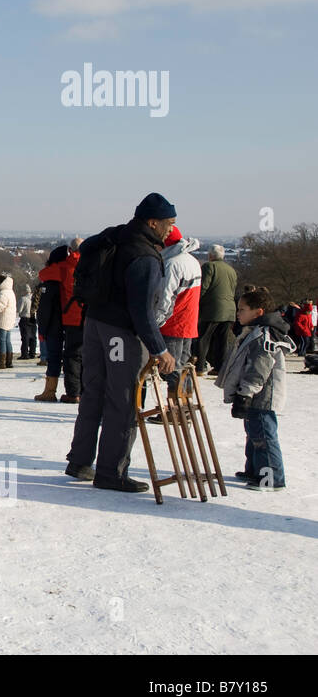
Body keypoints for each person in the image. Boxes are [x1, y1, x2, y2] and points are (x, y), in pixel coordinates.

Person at [64, 193, 178, 493]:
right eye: (169, 223)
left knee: (94, 393)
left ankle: (80, 460)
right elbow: (142, 311)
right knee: (124, 400)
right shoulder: (145, 256)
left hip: (93, 324)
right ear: (153, 222)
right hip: (121, 333)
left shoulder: (114, 237)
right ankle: (111, 472)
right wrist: (159, 349)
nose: (170, 229)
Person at [216, 288, 290, 491]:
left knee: (263, 437)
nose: (238, 313)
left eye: (242, 309)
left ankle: (271, 478)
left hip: (262, 397)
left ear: (258, 312)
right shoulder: (253, 332)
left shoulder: (263, 336)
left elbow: (258, 370)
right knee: (253, 434)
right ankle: (255, 470)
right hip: (255, 396)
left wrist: (245, 394)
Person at [153, 226, 201, 395]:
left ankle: (176, 407)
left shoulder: (171, 264)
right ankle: (185, 404)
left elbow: (165, 298)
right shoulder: (192, 260)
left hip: (173, 323)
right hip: (188, 322)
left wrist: (154, 324)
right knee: (182, 367)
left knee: (171, 368)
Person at [36, 241, 84, 402]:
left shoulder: (64, 267)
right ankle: (85, 391)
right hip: (90, 316)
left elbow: (43, 274)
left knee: (71, 357)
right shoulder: (91, 265)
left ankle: (71, 392)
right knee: (85, 356)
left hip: (70, 316)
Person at [197, 244, 238, 375]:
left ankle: (199, 365)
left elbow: (203, 287)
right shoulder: (231, 270)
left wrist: (197, 303)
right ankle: (219, 367)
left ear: (210, 256)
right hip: (229, 309)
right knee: (222, 340)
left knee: (203, 338)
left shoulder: (209, 267)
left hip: (212, 309)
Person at [33, 251, 67, 401]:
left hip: (54, 325)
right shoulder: (72, 275)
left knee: (54, 357)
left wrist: (42, 329)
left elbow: (45, 309)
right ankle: (75, 390)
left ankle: (50, 391)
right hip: (73, 323)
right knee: (75, 357)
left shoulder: (51, 279)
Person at [17, 284, 37, 360]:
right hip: (33, 318)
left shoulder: (23, 299)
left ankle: (24, 354)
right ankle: (32, 353)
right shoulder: (34, 298)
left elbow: (19, 310)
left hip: (25, 318)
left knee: (25, 337)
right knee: (33, 337)